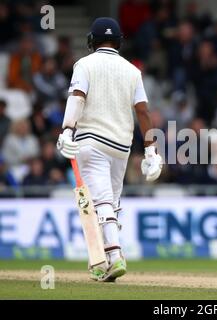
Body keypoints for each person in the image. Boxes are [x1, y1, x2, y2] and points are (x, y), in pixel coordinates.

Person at [56, 17, 162, 282]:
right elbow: (143, 112)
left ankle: (114, 255)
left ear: (91, 40)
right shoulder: (132, 70)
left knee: (102, 201)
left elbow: (77, 97)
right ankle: (105, 262)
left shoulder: (84, 64)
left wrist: (67, 129)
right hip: (121, 146)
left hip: (90, 140)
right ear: (119, 42)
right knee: (110, 204)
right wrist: (151, 151)